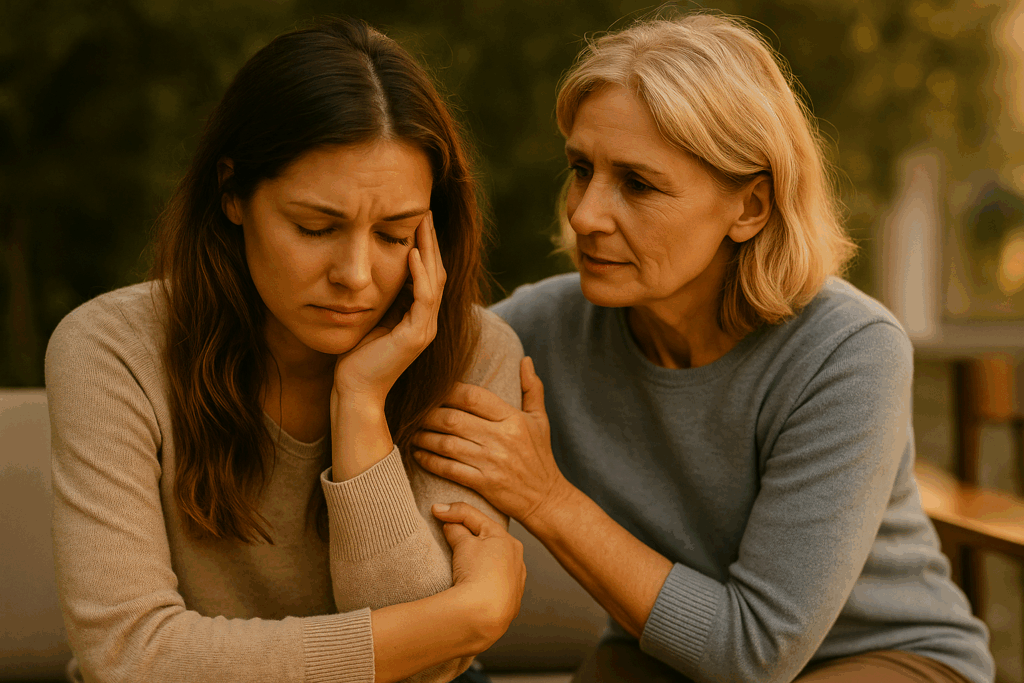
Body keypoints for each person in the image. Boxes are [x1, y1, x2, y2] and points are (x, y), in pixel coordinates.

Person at [410, 12, 995, 683]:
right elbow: (408, 370)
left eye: (638, 183)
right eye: (581, 169)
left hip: (883, 654)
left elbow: (755, 652)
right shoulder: (547, 326)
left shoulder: (849, 351)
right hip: (665, 653)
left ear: (750, 208)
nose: (585, 213)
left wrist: (546, 498)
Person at [45, 18, 526, 683]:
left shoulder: (474, 352)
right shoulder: (111, 350)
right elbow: (130, 656)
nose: (355, 275)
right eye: (315, 227)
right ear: (233, 194)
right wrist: (466, 617)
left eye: (394, 235)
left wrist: (361, 403)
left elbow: (429, 669)